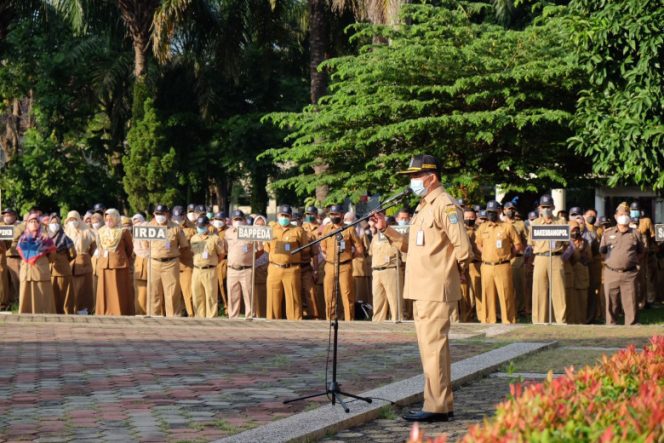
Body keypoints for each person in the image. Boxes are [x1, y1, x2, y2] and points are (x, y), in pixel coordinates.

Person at [372, 154, 472, 422]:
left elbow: (463, 247)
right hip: (422, 287)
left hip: (435, 288)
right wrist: (387, 230)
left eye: (416, 176)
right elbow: (412, 248)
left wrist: (458, 275)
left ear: (432, 177)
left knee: (434, 349)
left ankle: (437, 407)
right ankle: (440, 403)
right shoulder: (424, 206)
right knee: (431, 350)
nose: (413, 181)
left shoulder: (445, 205)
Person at [475, 201, 523, 324]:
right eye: (489, 212)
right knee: (487, 294)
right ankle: (488, 320)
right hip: (486, 266)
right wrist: (485, 253)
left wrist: (507, 256)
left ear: (499, 211)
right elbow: (478, 244)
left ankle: (508, 320)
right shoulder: (483, 227)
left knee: (506, 294)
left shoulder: (507, 227)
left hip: (503, 265)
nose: (491, 214)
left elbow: (517, 245)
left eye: (493, 212)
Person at [599, 202, 644, 325]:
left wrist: (631, 261)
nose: (624, 216)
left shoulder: (636, 233)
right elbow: (602, 251)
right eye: (621, 214)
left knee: (631, 301)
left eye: (626, 214)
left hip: (630, 273)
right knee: (611, 302)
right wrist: (611, 262)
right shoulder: (608, 233)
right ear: (615, 216)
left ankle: (631, 325)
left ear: (629, 216)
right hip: (611, 272)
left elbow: (641, 252)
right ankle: (611, 325)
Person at [320, 205, 364, 321]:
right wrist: (328, 257)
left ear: (342, 215)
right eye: (332, 215)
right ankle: (330, 320)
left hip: (345, 265)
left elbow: (359, 248)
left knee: (347, 294)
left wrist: (349, 258)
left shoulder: (349, 229)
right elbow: (323, 247)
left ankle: (349, 321)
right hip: (329, 265)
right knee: (329, 294)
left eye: (336, 214)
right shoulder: (326, 229)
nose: (334, 217)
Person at [528, 194, 568, 324]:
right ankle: (539, 321)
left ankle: (561, 321)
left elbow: (565, 243)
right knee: (539, 290)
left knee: (559, 291)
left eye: (548, 207)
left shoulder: (561, 222)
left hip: (556, 257)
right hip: (540, 258)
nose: (546, 210)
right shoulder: (535, 223)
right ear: (539, 208)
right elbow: (532, 243)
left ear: (553, 207)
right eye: (543, 207)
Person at [264, 205, 306, 320]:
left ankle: (295, 325)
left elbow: (305, 249)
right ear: (278, 216)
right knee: (273, 299)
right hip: (274, 268)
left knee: (293, 299)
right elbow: (266, 248)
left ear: (291, 217)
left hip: (291, 269)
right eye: (282, 215)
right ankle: (272, 325)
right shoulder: (270, 230)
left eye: (286, 216)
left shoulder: (298, 231)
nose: (284, 218)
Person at [148, 205, 189, 317]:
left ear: (168, 214)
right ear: (154, 215)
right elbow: (144, 244)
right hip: (154, 263)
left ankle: (173, 318)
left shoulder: (176, 228)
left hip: (171, 263)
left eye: (162, 214)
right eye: (157, 214)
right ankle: (153, 317)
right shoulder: (149, 227)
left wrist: (174, 254)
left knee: (172, 293)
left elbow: (184, 246)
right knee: (154, 292)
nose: (160, 216)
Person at [94, 209, 134, 315]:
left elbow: (129, 249)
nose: (108, 221)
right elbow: (99, 247)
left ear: (116, 218)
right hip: (104, 264)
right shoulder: (101, 231)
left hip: (118, 264)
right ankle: (103, 311)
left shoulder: (123, 231)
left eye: (111, 218)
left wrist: (120, 257)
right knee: (104, 289)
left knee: (118, 289)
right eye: (106, 219)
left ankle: (119, 311)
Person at [225, 210, 262, 319]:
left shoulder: (251, 232)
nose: (238, 221)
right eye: (236, 219)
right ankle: (233, 317)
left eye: (240, 219)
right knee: (232, 295)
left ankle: (250, 316)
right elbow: (226, 249)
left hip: (246, 269)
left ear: (244, 220)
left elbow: (260, 249)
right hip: (232, 269)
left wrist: (250, 258)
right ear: (232, 221)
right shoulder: (228, 233)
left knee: (249, 295)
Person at [17, 212, 57, 313]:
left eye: (36, 221)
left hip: (40, 271)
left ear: (40, 223)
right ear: (27, 224)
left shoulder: (45, 239)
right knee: (26, 294)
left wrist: (42, 260)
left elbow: (53, 255)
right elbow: (20, 251)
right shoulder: (22, 239)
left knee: (42, 296)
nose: (33, 223)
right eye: (31, 221)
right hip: (26, 272)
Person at [368, 212, 403, 321]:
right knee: (378, 302)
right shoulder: (375, 237)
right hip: (377, 271)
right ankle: (378, 326)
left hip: (391, 270)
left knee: (395, 303)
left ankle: (398, 325)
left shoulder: (396, 236)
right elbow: (370, 253)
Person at [190, 216, 226, 318]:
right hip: (196, 270)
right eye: (198, 226)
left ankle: (211, 318)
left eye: (202, 226)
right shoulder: (194, 238)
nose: (200, 228)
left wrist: (213, 263)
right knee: (197, 296)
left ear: (207, 225)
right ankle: (199, 317)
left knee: (211, 296)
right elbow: (194, 253)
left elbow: (222, 254)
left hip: (210, 270)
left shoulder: (215, 239)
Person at [47, 213, 76, 314]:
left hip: (62, 269)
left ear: (60, 224)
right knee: (52, 292)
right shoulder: (46, 238)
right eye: (52, 222)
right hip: (50, 268)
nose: (54, 225)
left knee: (65, 291)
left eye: (56, 223)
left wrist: (62, 259)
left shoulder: (65, 238)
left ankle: (66, 311)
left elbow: (73, 254)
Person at [503, 201, 528, 316]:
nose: (510, 211)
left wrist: (525, 253)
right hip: (504, 259)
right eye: (508, 209)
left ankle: (521, 310)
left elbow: (527, 241)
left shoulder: (521, 224)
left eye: (512, 209)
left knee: (519, 286)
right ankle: (508, 310)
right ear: (503, 210)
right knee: (506, 286)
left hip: (517, 258)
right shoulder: (499, 224)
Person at [173, 206, 196, 317]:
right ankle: (177, 315)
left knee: (189, 294)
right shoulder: (169, 226)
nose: (177, 220)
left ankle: (191, 315)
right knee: (174, 294)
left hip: (186, 264)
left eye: (179, 217)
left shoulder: (193, 228)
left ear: (184, 216)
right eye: (175, 218)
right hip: (172, 265)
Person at [460, 208, 481, 322]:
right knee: (465, 292)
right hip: (464, 265)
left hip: (477, 264)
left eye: (471, 218)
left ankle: (478, 315)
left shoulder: (480, 230)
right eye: (466, 218)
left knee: (477, 292)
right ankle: (465, 317)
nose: (469, 220)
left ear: (475, 218)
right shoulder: (460, 230)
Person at [300, 206, 321, 319]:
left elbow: (316, 254)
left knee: (312, 293)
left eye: (312, 214)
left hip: (315, 264)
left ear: (317, 215)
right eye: (307, 214)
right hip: (298, 265)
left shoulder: (321, 228)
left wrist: (316, 269)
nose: (309, 216)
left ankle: (315, 316)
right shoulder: (302, 228)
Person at [583, 208, 603, 322]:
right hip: (581, 263)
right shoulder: (580, 228)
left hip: (594, 263)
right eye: (589, 214)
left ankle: (592, 316)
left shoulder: (599, 230)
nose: (592, 217)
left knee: (593, 290)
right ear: (584, 216)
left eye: (594, 215)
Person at [1, 208, 22, 307]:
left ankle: (17, 303)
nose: (7, 217)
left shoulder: (21, 226)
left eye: (9, 215)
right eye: (5, 215)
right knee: (4, 282)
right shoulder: (1, 226)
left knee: (16, 281)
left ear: (14, 216)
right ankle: (6, 302)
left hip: (15, 257)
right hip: (3, 258)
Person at [131, 213, 150, 315]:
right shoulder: (134, 234)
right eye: (134, 221)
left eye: (138, 221)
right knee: (140, 291)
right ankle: (140, 312)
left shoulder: (149, 229)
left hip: (151, 261)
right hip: (138, 262)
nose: (137, 224)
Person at [212, 211, 229, 313]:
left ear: (225, 221)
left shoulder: (228, 232)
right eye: (217, 219)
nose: (218, 222)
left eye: (221, 220)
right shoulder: (211, 230)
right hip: (210, 262)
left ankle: (227, 308)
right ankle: (216, 307)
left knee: (222, 285)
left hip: (222, 261)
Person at [253, 215, 269, 317]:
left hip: (266, 270)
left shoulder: (268, 238)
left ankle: (263, 314)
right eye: (257, 224)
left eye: (262, 224)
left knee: (264, 294)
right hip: (253, 271)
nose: (259, 226)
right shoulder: (250, 239)